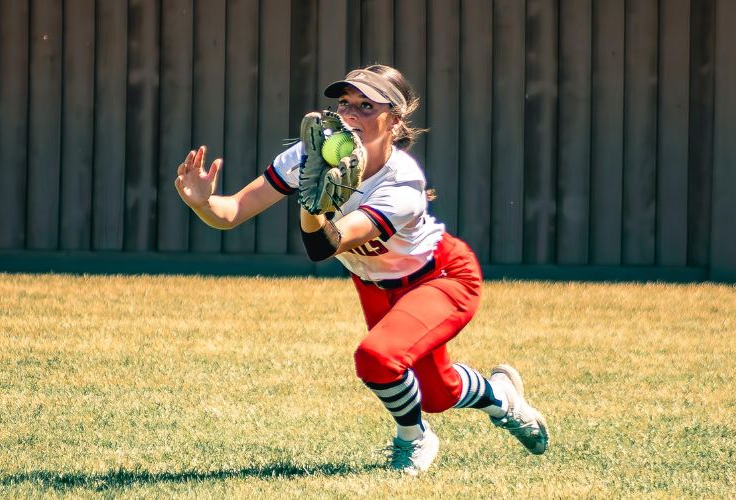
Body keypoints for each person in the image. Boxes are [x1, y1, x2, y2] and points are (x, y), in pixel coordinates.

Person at [174, 64, 549, 475]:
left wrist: (313, 203)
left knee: (376, 358)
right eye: (344, 102)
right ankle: (503, 397)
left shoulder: (401, 181)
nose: (350, 113)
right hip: (374, 284)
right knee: (437, 394)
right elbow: (231, 213)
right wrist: (202, 203)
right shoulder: (309, 155)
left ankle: (413, 438)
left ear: (395, 120)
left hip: (439, 276)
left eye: (367, 106)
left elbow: (324, 245)